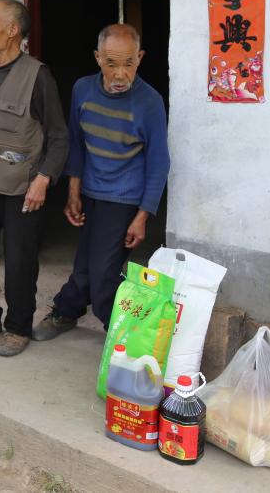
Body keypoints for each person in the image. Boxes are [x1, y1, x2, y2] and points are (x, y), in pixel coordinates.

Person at [33, 23, 170, 341]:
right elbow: (76, 143)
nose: (120, 74)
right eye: (111, 63)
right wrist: (73, 192)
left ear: (140, 58)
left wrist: (142, 215)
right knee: (86, 261)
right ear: (97, 58)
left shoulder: (149, 102)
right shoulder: (82, 90)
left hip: (124, 198)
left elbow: (159, 162)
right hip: (91, 191)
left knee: (103, 275)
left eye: (129, 63)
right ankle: (67, 310)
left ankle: (126, 336)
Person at [0, 0, 69, 357]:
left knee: (20, 263)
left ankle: (18, 327)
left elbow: (58, 137)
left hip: (22, 188)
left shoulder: (37, 76)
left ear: (12, 31)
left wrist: (43, 179)